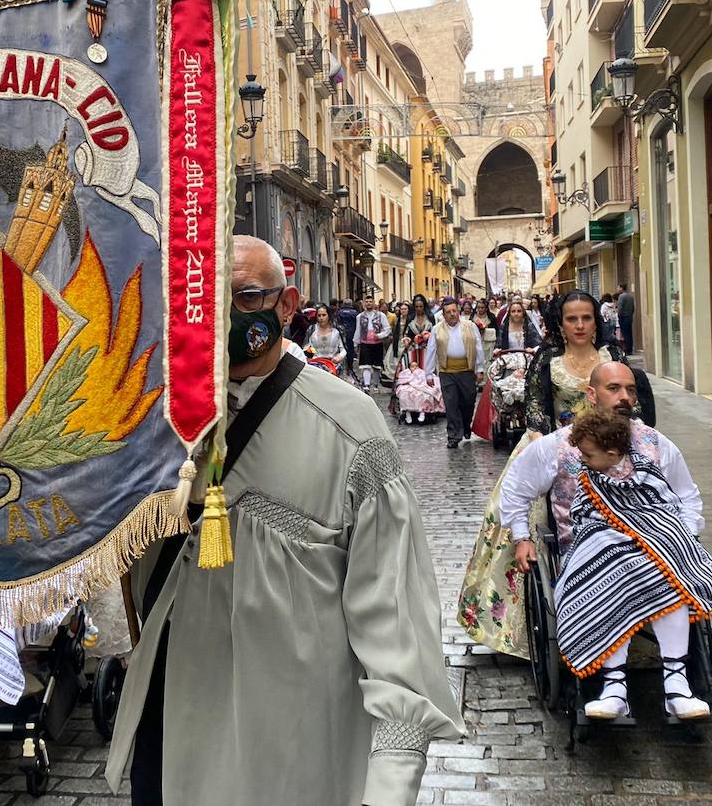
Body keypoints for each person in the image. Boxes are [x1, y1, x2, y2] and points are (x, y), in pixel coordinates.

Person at [109, 236, 461, 804]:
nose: (225, 313)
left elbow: (395, 615)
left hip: (293, 739)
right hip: (173, 716)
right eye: (206, 298)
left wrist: (391, 780)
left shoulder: (349, 425)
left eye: (246, 295)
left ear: (288, 304)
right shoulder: (150, 419)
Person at [504, 402, 712, 720]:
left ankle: (677, 683)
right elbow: (583, 519)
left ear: (612, 455)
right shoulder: (581, 472)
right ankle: (614, 687)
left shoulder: (650, 463)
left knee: (671, 578)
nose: (583, 461)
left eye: (588, 456)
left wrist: (671, 537)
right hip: (599, 552)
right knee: (610, 580)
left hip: (653, 550)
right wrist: (522, 536)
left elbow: (666, 506)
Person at [457, 361, 673, 656]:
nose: (624, 397)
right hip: (585, 556)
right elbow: (517, 488)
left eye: (630, 390)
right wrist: (522, 538)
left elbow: (685, 496)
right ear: (592, 395)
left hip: (649, 553)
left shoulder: (653, 443)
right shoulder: (560, 445)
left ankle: (679, 673)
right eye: (614, 389)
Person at [525, 289, 655, 433]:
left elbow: (631, 398)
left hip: (611, 441)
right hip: (559, 444)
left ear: (595, 322)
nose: (580, 325)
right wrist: (539, 437)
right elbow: (535, 403)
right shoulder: (547, 359)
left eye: (587, 318)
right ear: (561, 323)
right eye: (571, 319)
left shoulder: (612, 355)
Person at [431, 296, 485, 450]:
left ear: (458, 311)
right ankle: (453, 435)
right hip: (446, 371)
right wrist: (428, 373)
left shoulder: (470, 326)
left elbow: (478, 347)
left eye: (454, 311)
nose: (452, 314)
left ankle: (466, 426)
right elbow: (431, 351)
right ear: (443, 314)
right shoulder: (437, 329)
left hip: (466, 370)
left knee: (468, 401)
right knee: (451, 403)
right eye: (448, 312)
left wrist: (480, 369)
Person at [354, 294, 391, 392]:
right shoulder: (359, 316)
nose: (369, 303)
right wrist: (355, 343)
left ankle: (375, 385)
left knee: (376, 366)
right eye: (367, 302)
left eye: (370, 301)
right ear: (364, 303)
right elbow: (358, 330)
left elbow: (387, 329)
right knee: (366, 365)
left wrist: (379, 335)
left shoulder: (381, 315)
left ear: (374, 303)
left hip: (377, 343)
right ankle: (366, 385)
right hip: (365, 343)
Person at [303, 304, 346, 372]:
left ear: (328, 316)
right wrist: (313, 353)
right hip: (316, 365)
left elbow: (343, 349)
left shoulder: (336, 331)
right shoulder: (312, 330)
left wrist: (339, 357)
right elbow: (307, 347)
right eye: (319, 315)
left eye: (324, 315)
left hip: (333, 365)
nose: (321, 318)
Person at [336, 298, 359, 375]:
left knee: (341, 349)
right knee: (350, 351)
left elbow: (337, 322)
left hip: (341, 333)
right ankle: (350, 367)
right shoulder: (354, 312)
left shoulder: (339, 312)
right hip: (351, 333)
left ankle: (343, 366)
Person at [615, 283, 636, 355]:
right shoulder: (630, 296)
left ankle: (627, 349)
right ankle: (630, 349)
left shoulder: (621, 296)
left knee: (625, 333)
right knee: (629, 333)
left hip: (623, 317)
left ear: (621, 288)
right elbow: (633, 307)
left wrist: (619, 315)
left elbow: (620, 307)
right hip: (629, 316)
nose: (617, 289)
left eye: (618, 287)